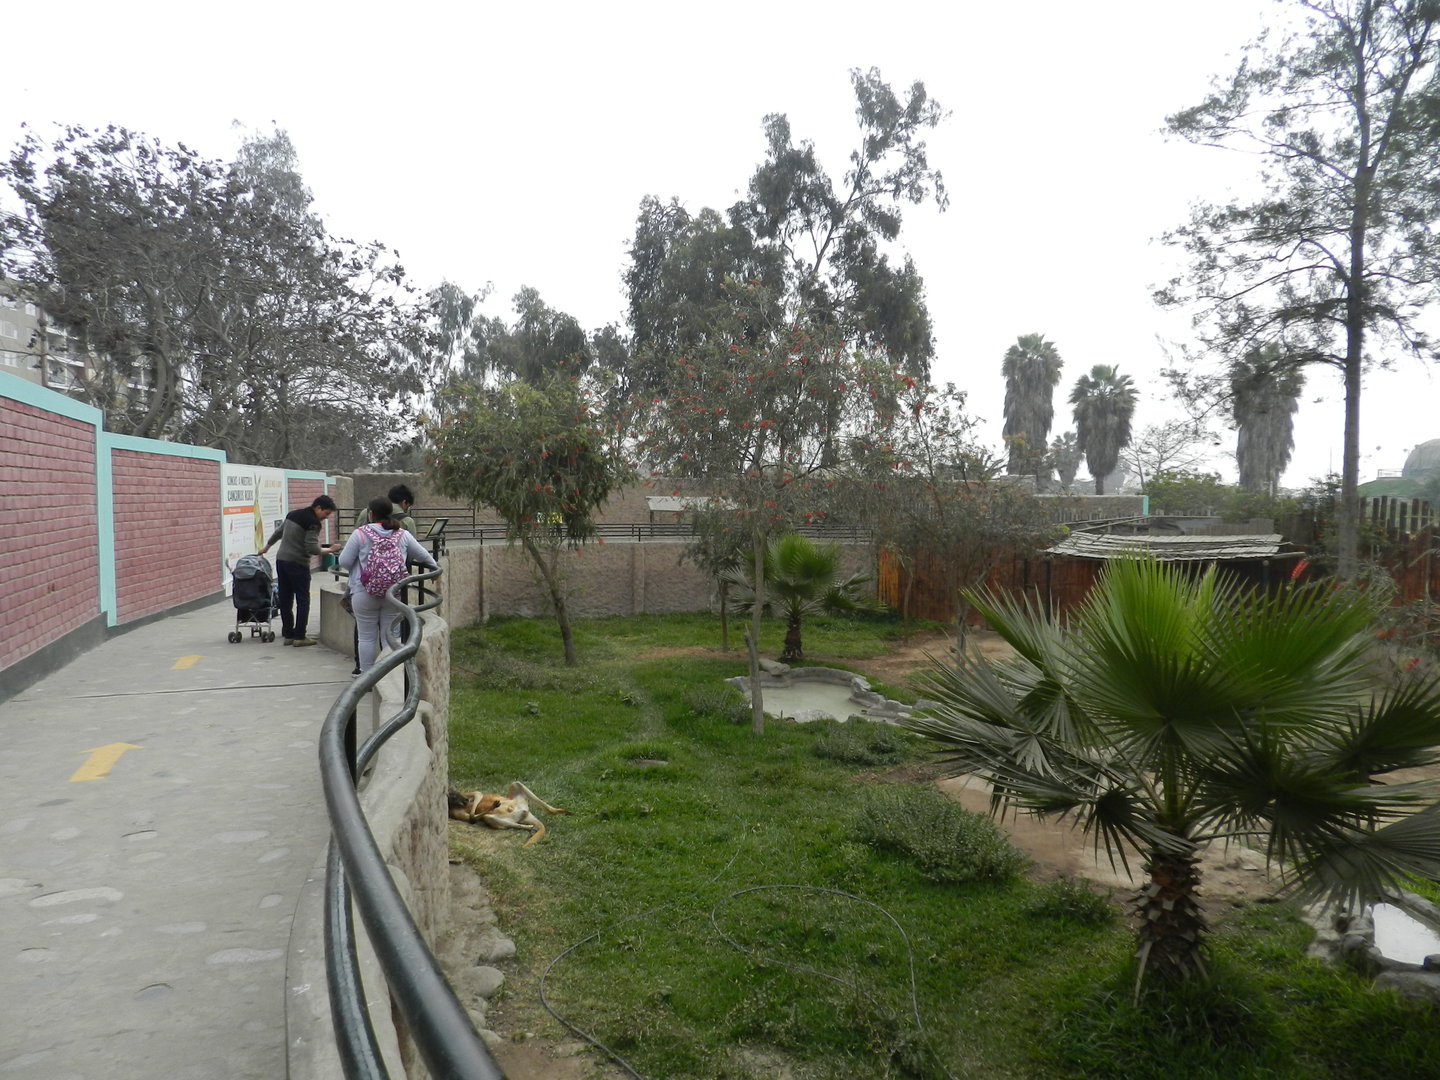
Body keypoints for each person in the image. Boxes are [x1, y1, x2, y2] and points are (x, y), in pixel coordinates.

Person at [338, 496, 440, 675]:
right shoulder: (402, 534)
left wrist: (362, 569)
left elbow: (344, 561)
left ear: (370, 514)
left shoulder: (360, 533)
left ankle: (366, 677)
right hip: (394, 593)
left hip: (363, 592)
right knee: (391, 636)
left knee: (366, 637)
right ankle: (390, 677)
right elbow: (422, 555)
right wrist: (435, 568)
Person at [259, 495, 340, 647]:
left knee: (285, 599)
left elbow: (278, 532)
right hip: (298, 564)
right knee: (303, 600)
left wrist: (266, 547)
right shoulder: (313, 523)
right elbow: (313, 549)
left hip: (281, 561)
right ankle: (300, 636)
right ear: (318, 508)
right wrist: (331, 549)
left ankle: (288, 635)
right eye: (326, 513)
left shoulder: (293, 514)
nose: (326, 518)